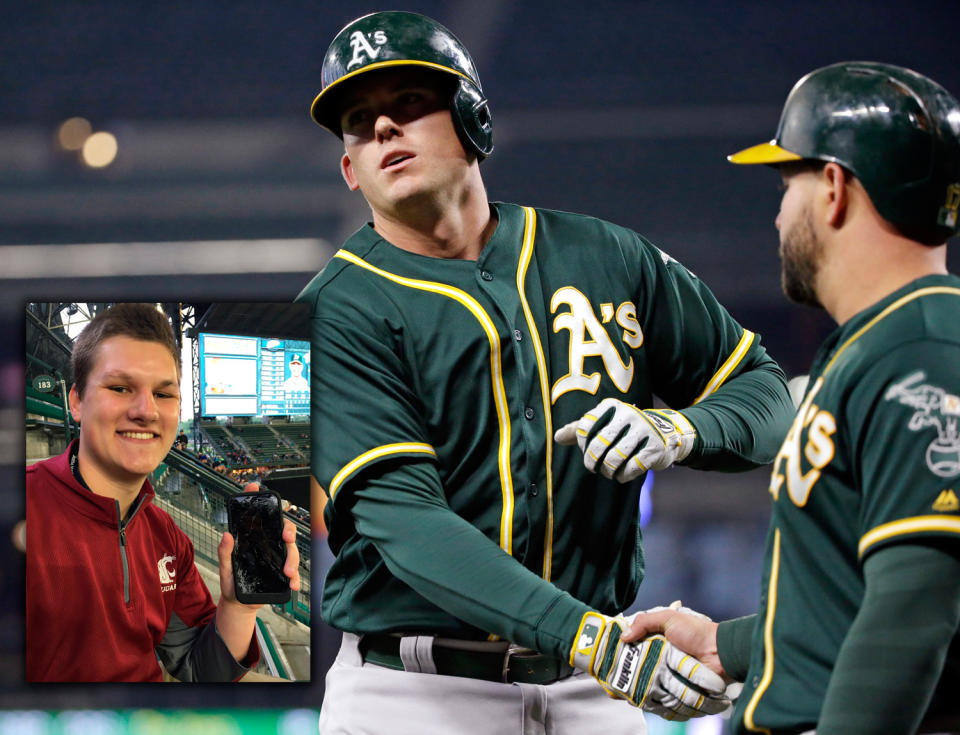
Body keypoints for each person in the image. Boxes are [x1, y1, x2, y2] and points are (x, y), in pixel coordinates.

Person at [297, 11, 795, 733]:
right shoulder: (336, 312)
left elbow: (768, 396)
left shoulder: (605, 256)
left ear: (473, 117)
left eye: (408, 103)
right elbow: (409, 525)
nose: (381, 130)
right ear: (349, 169)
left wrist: (678, 426)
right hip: (415, 692)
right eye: (358, 121)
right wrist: (592, 639)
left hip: (596, 684)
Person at [626, 62, 960, 734]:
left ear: (833, 187)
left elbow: (914, 609)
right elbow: (849, 599)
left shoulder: (921, 347)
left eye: (787, 185)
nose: (779, 214)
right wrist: (729, 643)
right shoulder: (882, 342)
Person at [25, 303, 301, 682]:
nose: (146, 410)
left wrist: (238, 605)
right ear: (76, 400)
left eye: (163, 394)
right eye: (120, 388)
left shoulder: (168, 537)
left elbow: (199, 672)